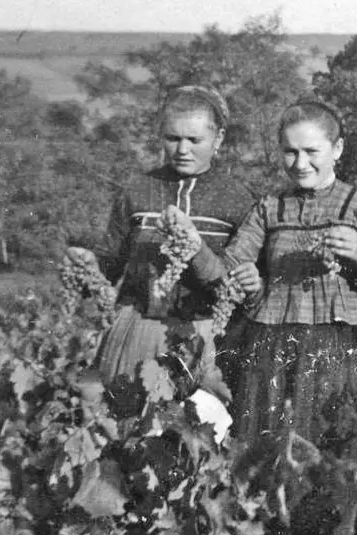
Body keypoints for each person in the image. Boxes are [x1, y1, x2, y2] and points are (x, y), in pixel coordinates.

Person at [181, 98, 357, 446]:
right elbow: (226, 275)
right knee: (271, 456)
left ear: (338, 149)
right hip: (273, 351)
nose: (300, 163)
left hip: (342, 351)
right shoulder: (269, 208)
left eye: (311, 151)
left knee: (338, 458)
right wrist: (204, 253)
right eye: (290, 152)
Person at [65, 85, 255, 389]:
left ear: (217, 139)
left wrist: (196, 246)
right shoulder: (138, 190)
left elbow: (238, 283)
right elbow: (110, 262)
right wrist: (88, 265)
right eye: (173, 138)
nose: (182, 150)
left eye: (194, 140)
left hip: (206, 335)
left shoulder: (238, 199)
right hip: (137, 332)